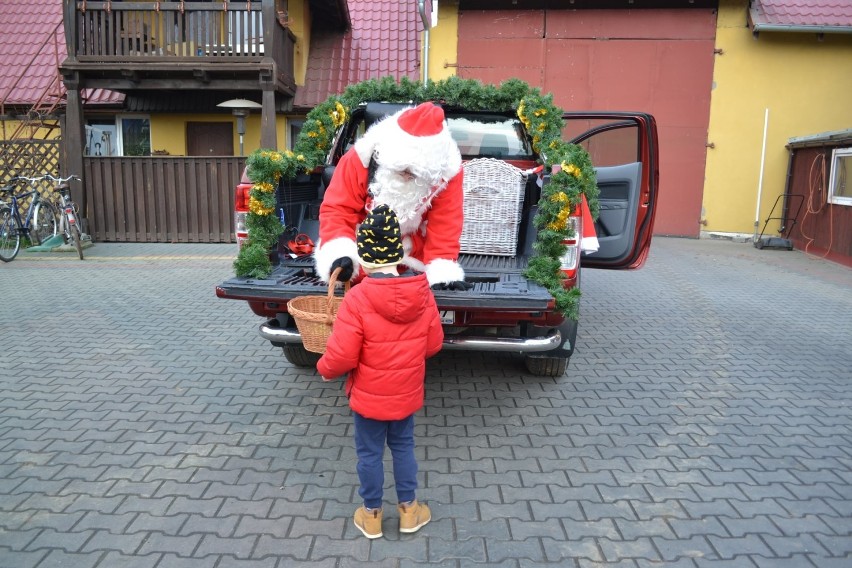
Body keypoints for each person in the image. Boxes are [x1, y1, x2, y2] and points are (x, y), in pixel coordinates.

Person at [317, 204, 444, 539]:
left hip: (369, 399)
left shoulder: (358, 299)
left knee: (369, 454)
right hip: (405, 394)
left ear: (365, 256)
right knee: (403, 447)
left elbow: (342, 355)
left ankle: (371, 515)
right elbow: (433, 345)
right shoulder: (422, 292)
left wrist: (323, 367)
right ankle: (409, 511)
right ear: (397, 253)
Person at [313, 101, 471, 291]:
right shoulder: (360, 157)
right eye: (401, 170)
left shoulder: (447, 172)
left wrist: (441, 271)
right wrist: (340, 254)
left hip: (411, 254)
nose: (406, 176)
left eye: (414, 175)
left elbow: (446, 224)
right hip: (361, 244)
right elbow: (338, 210)